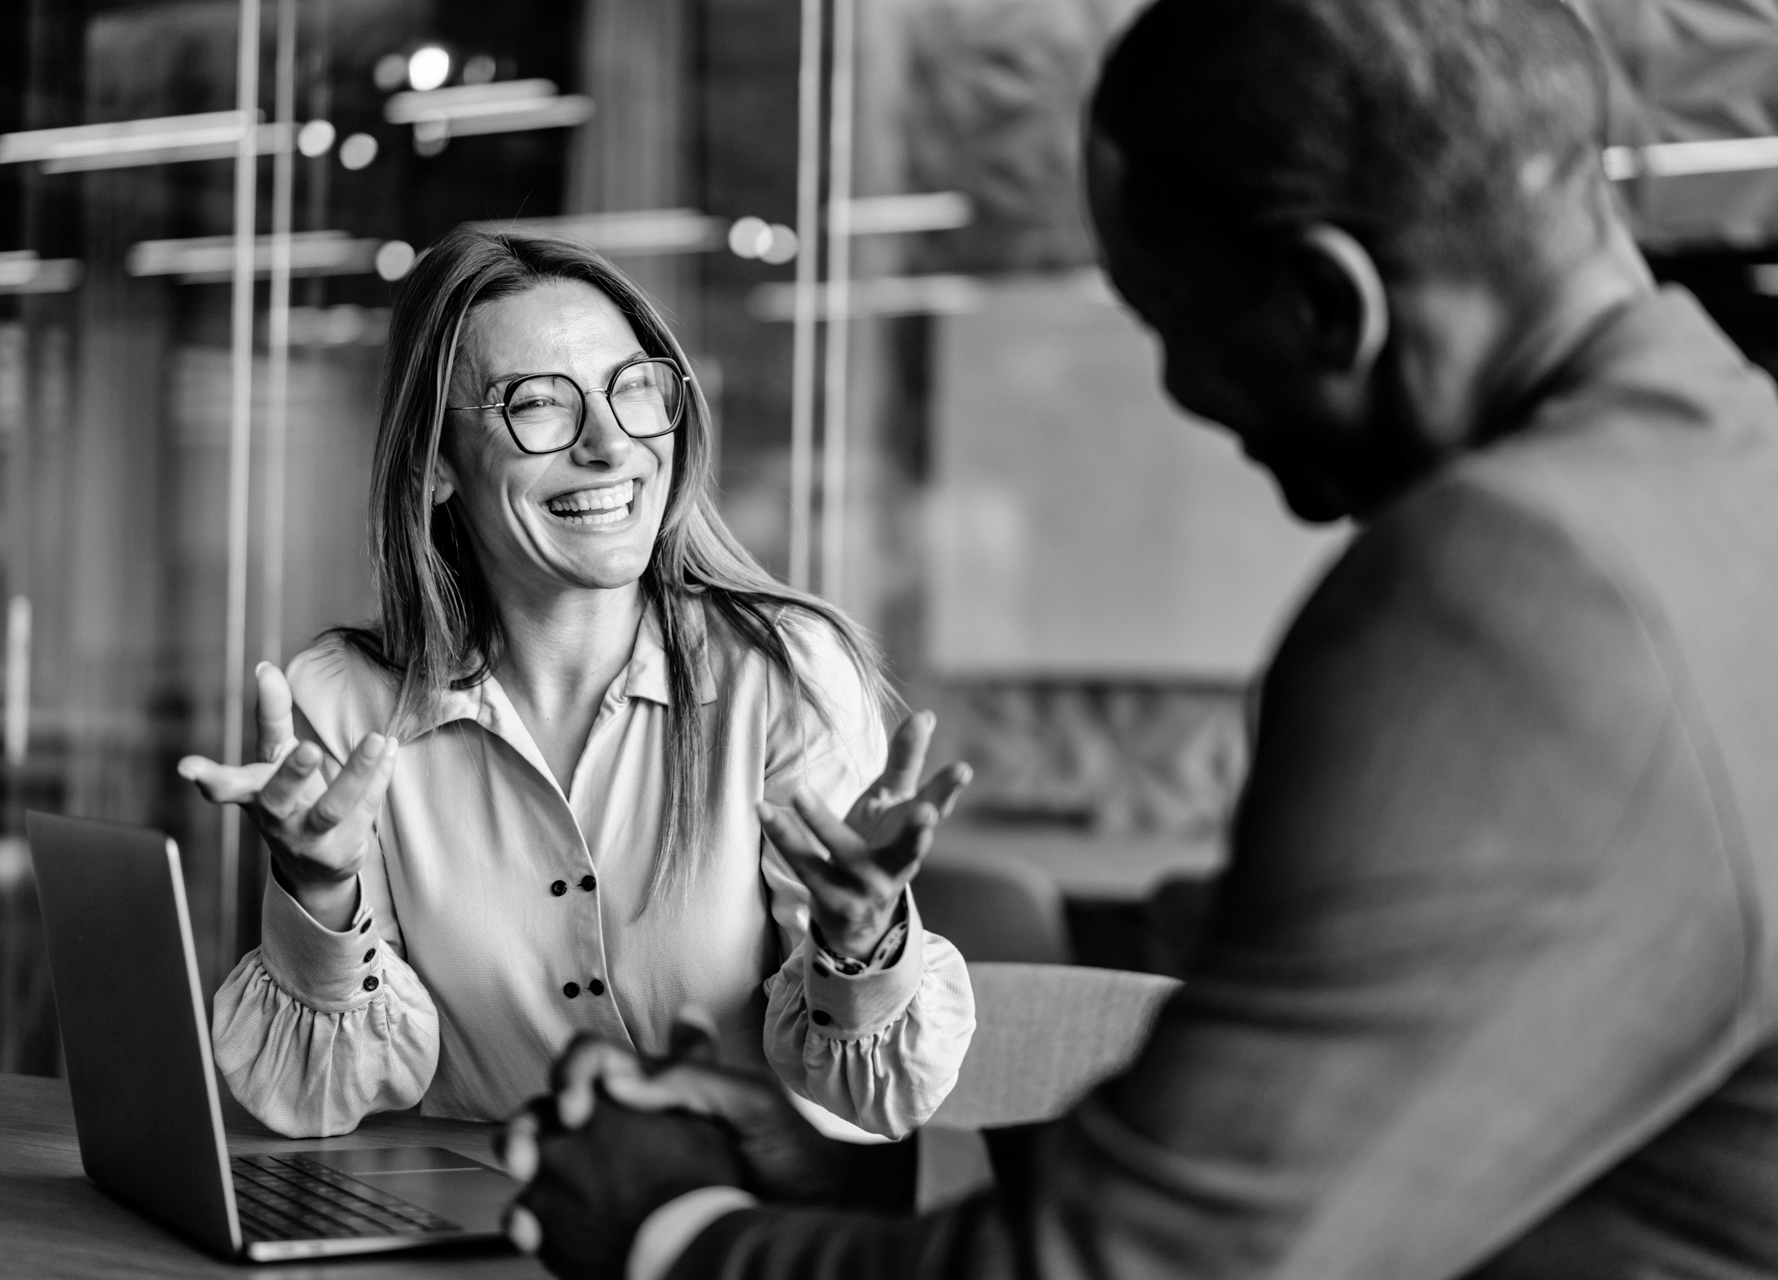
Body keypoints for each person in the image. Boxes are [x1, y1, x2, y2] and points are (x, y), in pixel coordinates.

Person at [500, 0, 1778, 1276]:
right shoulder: (1736, 475)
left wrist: (672, 1227)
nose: (1181, 392)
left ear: (1327, 302)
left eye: (1174, 324)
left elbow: (1143, 1261)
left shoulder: (1505, 587)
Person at [176, 227, 975, 1142]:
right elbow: (322, 1102)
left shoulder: (782, 673)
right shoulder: (346, 704)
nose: (611, 443)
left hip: (723, 1242)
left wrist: (862, 944)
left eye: (633, 389)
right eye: (538, 405)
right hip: (466, 1238)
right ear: (434, 462)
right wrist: (317, 892)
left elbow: (877, 1102)